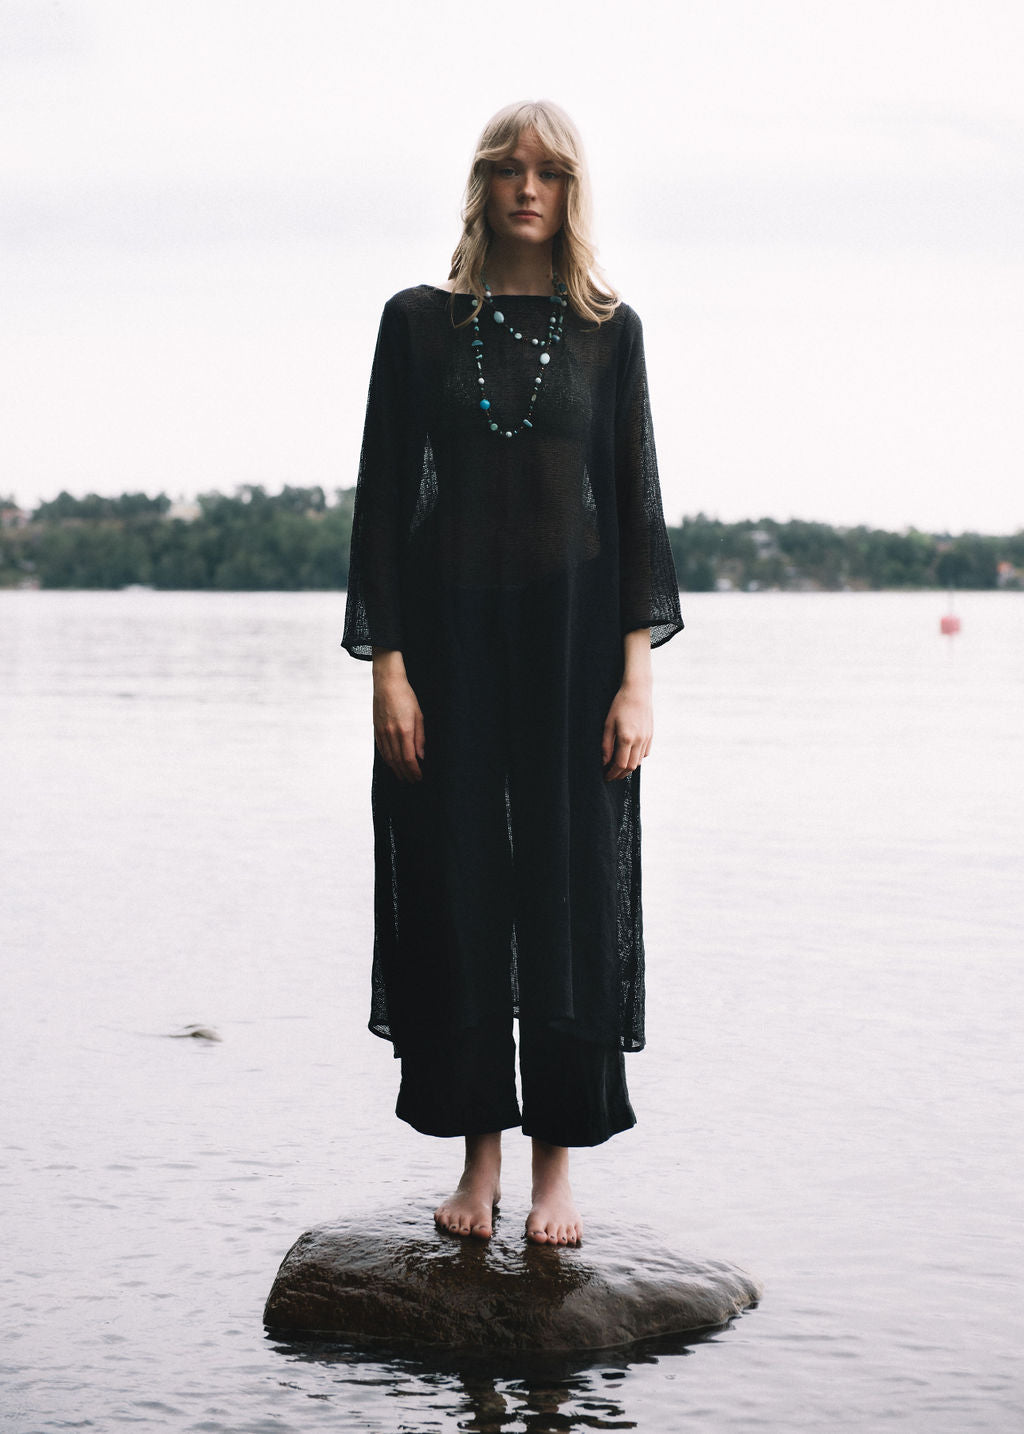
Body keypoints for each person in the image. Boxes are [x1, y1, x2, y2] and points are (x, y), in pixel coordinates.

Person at [342, 100, 682, 1247]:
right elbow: (384, 509)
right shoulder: (418, 324)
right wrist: (389, 668)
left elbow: (633, 513)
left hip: (577, 644)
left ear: (570, 190)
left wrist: (635, 679)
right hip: (444, 644)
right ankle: (475, 1161)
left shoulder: (609, 329)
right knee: (458, 886)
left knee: (566, 891)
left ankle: (553, 1177)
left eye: (546, 171)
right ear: (481, 186)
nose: (525, 187)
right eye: (505, 169)